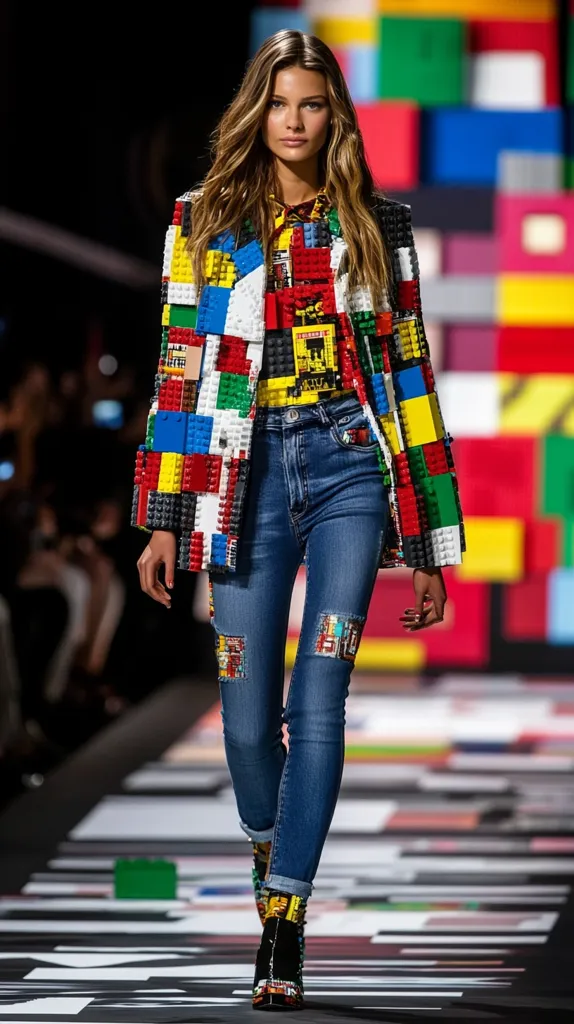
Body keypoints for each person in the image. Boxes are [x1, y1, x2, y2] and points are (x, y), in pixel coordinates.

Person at [135, 29, 464, 1011]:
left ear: (334, 118)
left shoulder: (376, 224)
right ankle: (268, 845)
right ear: (257, 111)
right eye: (279, 103)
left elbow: (408, 373)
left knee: (318, 699)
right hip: (240, 475)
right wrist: (163, 517)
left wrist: (428, 537)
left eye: (311, 104)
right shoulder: (203, 221)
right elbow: (179, 373)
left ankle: (284, 919)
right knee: (245, 725)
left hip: (347, 468)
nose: (293, 120)